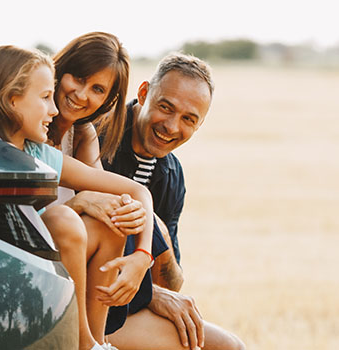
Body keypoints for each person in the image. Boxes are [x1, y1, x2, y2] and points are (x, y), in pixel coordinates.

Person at [48, 38, 245, 350]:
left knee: (229, 346)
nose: (171, 126)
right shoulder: (96, 128)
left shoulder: (171, 174)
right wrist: (152, 280)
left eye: (188, 119)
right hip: (80, 293)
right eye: (165, 107)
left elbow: (170, 277)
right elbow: (85, 227)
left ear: (199, 124)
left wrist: (150, 262)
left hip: (122, 301)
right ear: (143, 94)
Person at [0, 45, 156, 350]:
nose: (53, 109)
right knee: (63, 218)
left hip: (40, 268)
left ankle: (97, 340)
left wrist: (143, 256)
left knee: (112, 218)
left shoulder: (40, 154)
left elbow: (135, 190)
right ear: (12, 100)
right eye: (44, 98)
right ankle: (83, 345)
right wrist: (73, 205)